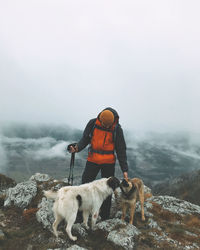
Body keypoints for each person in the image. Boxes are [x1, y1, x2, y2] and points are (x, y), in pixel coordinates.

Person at [68, 107, 128, 220]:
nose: (106, 127)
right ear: (100, 119)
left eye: (108, 125)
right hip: (93, 160)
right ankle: (80, 216)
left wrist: (124, 169)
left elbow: (121, 149)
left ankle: (104, 216)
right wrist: (77, 148)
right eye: (104, 124)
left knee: (108, 190)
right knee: (84, 187)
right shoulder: (93, 123)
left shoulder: (117, 129)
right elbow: (85, 139)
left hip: (108, 163)